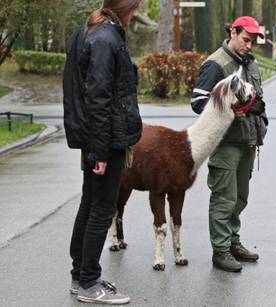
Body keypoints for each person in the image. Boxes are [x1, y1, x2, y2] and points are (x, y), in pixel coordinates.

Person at [63, 0, 143, 304]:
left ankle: (80, 276)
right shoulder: (106, 38)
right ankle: (89, 282)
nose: (137, 14)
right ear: (126, 8)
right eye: (135, 8)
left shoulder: (90, 29)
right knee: (101, 209)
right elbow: (97, 97)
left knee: (90, 204)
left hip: (95, 136)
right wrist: (98, 152)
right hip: (105, 139)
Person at [191, 16, 268, 273]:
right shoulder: (216, 64)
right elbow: (198, 102)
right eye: (245, 39)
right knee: (224, 197)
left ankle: (233, 241)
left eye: (253, 42)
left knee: (240, 197)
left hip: (248, 140)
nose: (249, 46)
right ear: (233, 33)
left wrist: (261, 122)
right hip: (226, 143)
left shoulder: (250, 63)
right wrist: (229, 109)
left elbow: (258, 97)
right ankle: (221, 251)